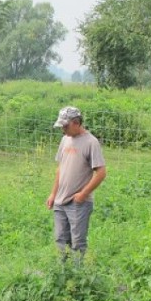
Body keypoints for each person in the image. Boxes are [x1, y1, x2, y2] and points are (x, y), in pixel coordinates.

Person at [46, 106, 106, 265]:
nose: (63, 130)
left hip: (78, 202)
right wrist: (53, 194)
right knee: (60, 239)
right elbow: (61, 168)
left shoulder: (91, 142)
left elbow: (101, 173)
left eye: (65, 126)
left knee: (77, 243)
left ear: (76, 123)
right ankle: (62, 274)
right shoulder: (65, 139)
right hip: (60, 200)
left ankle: (78, 278)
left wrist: (83, 194)